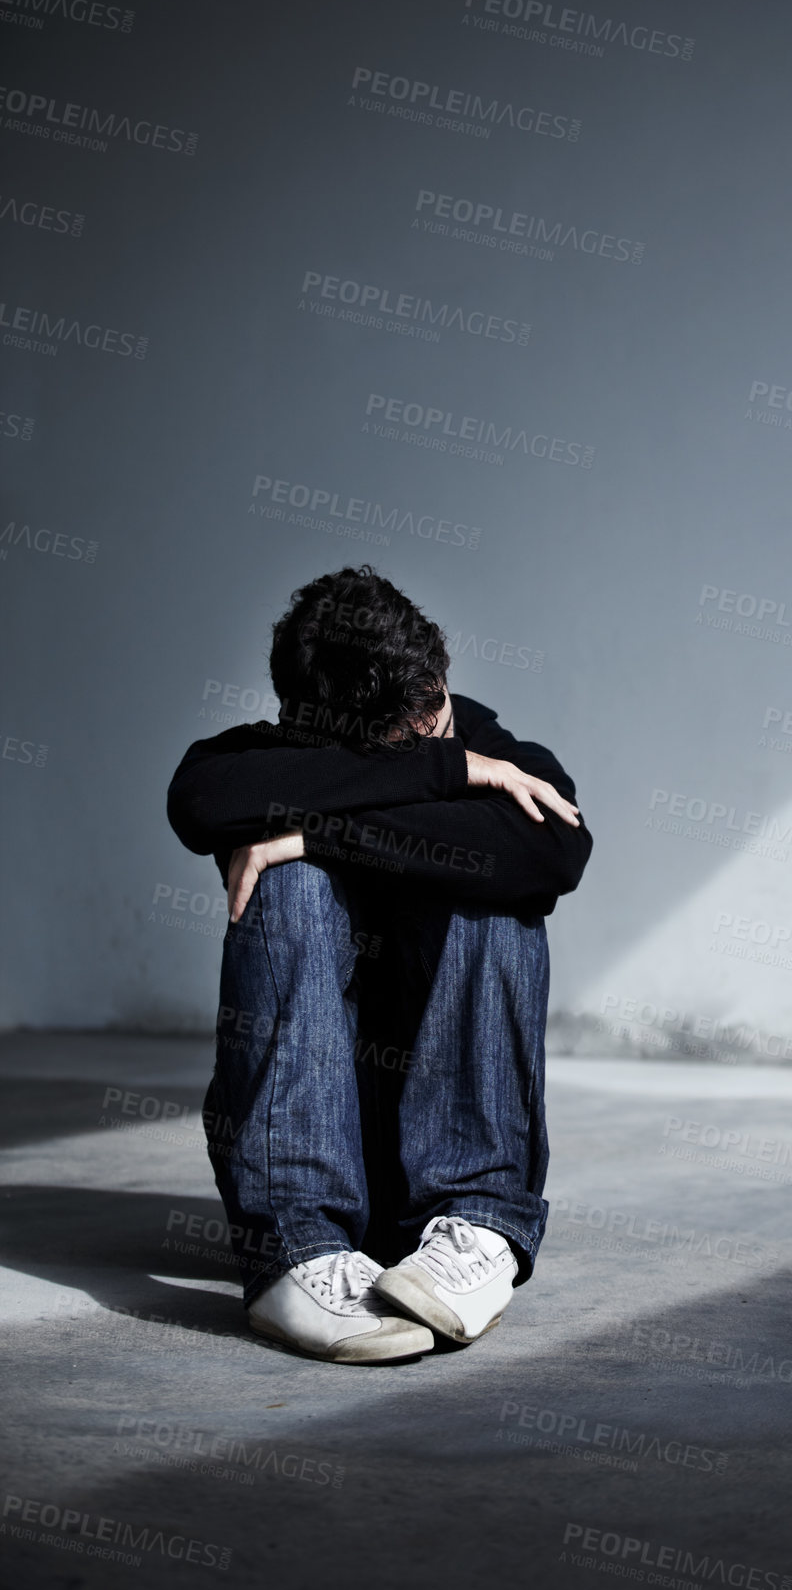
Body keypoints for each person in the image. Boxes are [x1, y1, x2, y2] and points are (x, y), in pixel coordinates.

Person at [166, 565, 592, 1363]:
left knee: (490, 886)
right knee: (284, 877)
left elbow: (555, 851)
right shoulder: (273, 762)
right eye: (395, 748)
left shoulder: (494, 748)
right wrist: (440, 777)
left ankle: (480, 1225)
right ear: (314, 729)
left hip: (443, 1176)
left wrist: (329, 830)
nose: (438, 730)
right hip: (308, 1171)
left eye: (434, 716)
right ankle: (297, 1250)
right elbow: (199, 799)